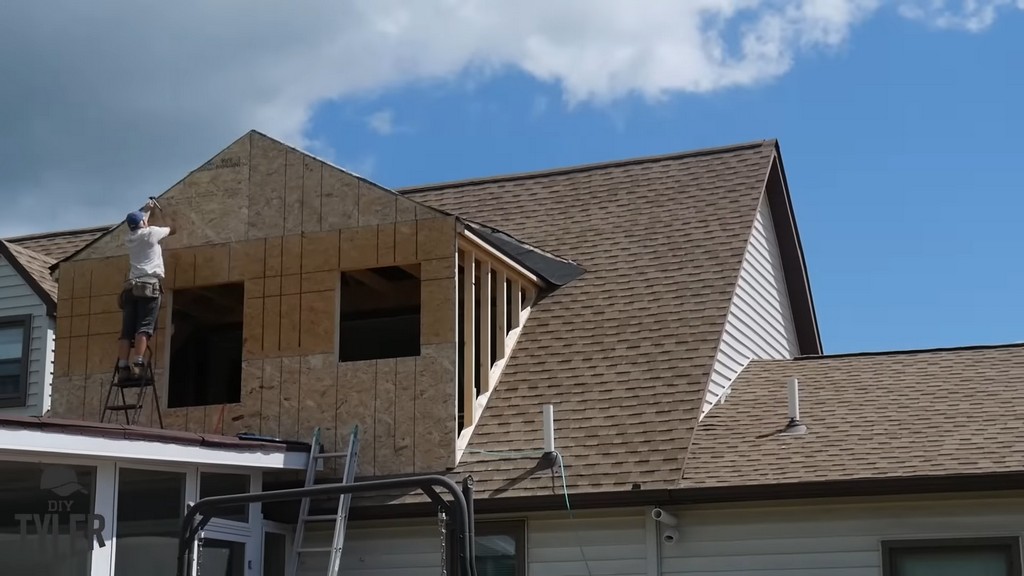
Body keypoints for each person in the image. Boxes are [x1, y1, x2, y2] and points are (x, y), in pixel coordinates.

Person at [117, 199, 175, 381]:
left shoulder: (129, 238)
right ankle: (139, 365)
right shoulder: (152, 233)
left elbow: (140, 222)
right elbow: (171, 230)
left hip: (131, 289)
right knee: (143, 328)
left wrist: (146, 209)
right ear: (143, 223)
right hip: (148, 287)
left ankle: (123, 368)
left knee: (126, 332)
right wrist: (168, 217)